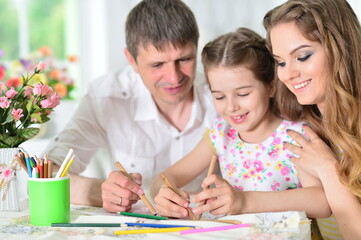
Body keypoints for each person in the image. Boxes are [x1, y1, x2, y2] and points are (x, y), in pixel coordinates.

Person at [43, 0, 217, 213]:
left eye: (184, 59)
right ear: (131, 60)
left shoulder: (221, 95)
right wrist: (100, 191)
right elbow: (45, 172)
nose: (174, 77)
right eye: (157, 65)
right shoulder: (107, 96)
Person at [151, 28, 329, 219]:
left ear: (270, 87)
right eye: (219, 96)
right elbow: (164, 179)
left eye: (243, 94)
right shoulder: (221, 133)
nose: (231, 107)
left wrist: (244, 201)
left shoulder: (295, 136)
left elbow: (321, 203)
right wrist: (166, 195)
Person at [263, 0, 361, 239]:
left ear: (340, 48)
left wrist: (328, 168)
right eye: (281, 62)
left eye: (303, 56)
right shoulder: (306, 129)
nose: (288, 74)